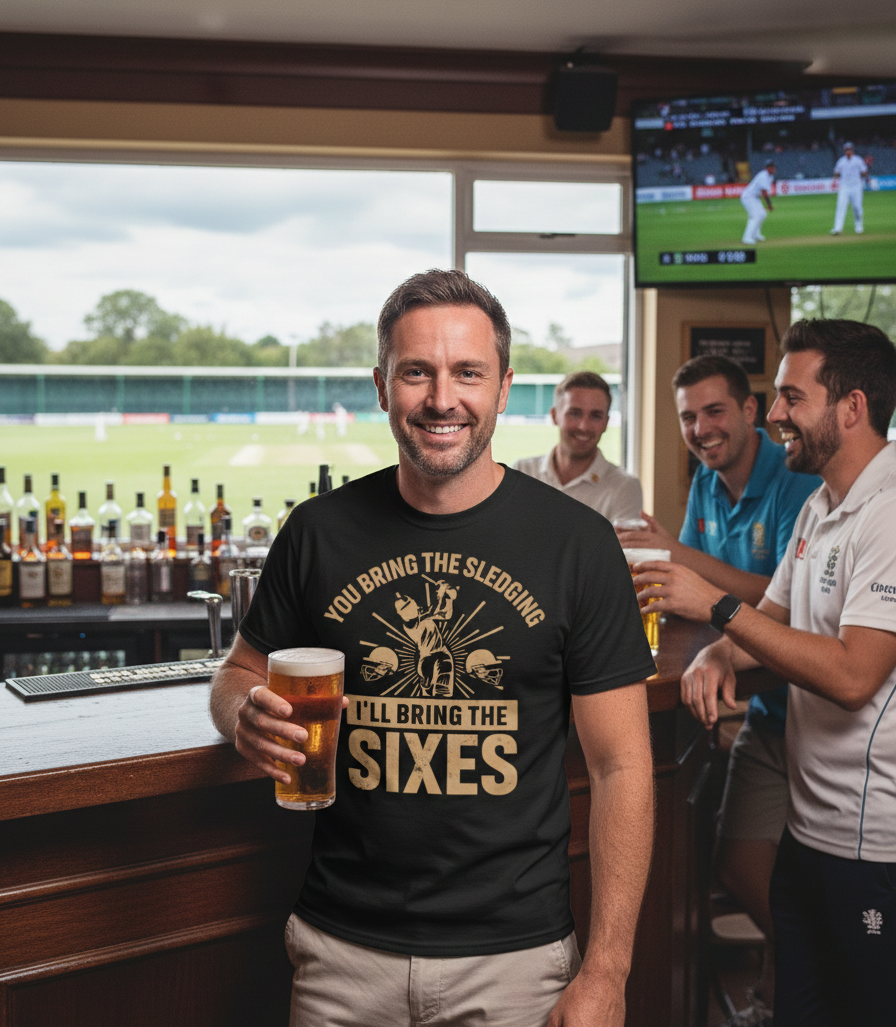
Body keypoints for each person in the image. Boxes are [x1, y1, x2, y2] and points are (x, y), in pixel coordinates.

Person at [210, 269, 657, 1027]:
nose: (442, 398)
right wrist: (240, 712)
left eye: (467, 373)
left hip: (516, 963)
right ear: (383, 386)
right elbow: (239, 672)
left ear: (504, 387)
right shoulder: (317, 531)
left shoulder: (577, 544)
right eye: (416, 371)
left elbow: (623, 765)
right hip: (339, 954)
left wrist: (608, 970)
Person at [664, 319, 896, 1026]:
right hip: (808, 829)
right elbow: (771, 625)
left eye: (791, 397)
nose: (772, 416)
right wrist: (717, 652)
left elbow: (856, 674)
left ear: (850, 407)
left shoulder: (889, 513)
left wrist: (718, 611)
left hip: (874, 845)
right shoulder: (820, 506)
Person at [617, 354, 820, 1026]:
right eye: (687, 416)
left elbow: (777, 600)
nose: (700, 428)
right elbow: (698, 601)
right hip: (761, 707)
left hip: (815, 708)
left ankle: (797, 976)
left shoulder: (798, 479)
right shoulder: (706, 481)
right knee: (737, 864)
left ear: (750, 412)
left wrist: (675, 554)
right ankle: (797, 968)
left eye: (713, 411)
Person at [513, 370, 643, 522]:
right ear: (555, 416)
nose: (584, 426)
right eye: (575, 413)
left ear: (606, 423)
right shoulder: (521, 472)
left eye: (595, 416)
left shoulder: (625, 488)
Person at [830, 142, 869, 236]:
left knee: (857, 208)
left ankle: (859, 227)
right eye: (847, 150)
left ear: (852, 150)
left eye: (850, 149)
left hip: (856, 187)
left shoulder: (858, 160)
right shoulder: (841, 161)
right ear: (845, 151)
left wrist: (867, 179)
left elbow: (864, 171)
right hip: (844, 187)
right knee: (840, 206)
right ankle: (837, 228)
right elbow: (836, 172)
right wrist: (834, 181)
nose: (848, 151)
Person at [740, 161, 775, 245]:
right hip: (748, 197)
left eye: (774, 168)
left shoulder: (770, 177)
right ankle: (747, 238)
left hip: (755, 197)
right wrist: (769, 205)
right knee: (755, 216)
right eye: (772, 168)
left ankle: (756, 234)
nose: (774, 170)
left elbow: (763, 191)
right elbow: (764, 192)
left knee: (762, 214)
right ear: (767, 168)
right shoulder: (763, 176)